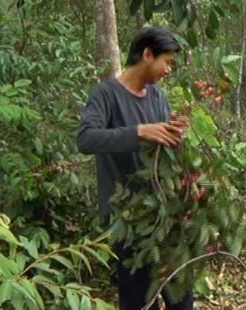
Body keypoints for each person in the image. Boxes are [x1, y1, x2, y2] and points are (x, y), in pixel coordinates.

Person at [77, 27, 193, 310]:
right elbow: (85, 139)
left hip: (164, 215)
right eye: (167, 62)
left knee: (181, 297)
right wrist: (138, 131)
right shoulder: (106, 95)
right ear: (147, 54)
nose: (168, 70)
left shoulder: (158, 97)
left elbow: (161, 151)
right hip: (128, 218)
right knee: (138, 301)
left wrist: (173, 133)